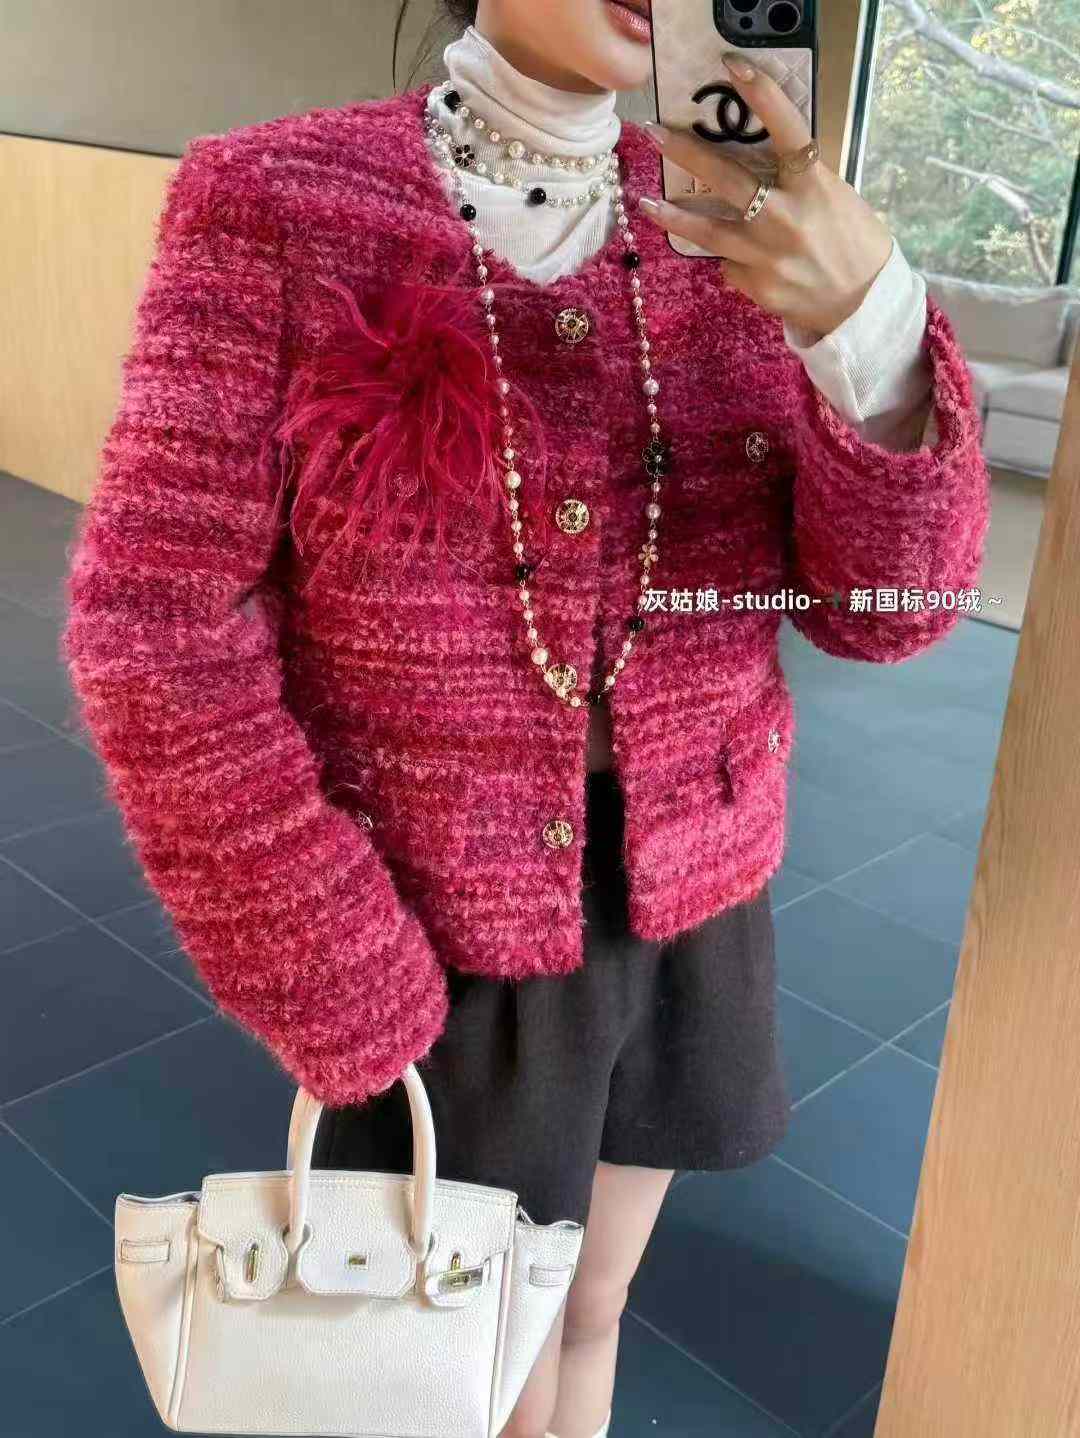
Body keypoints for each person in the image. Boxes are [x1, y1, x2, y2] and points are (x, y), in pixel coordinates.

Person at [62, 3, 991, 1436]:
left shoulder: (738, 221)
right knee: (465, 1373)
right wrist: (329, 954)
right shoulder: (275, 202)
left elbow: (889, 610)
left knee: (594, 1310)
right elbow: (154, 625)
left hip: (693, 901)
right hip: (434, 938)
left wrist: (865, 324)